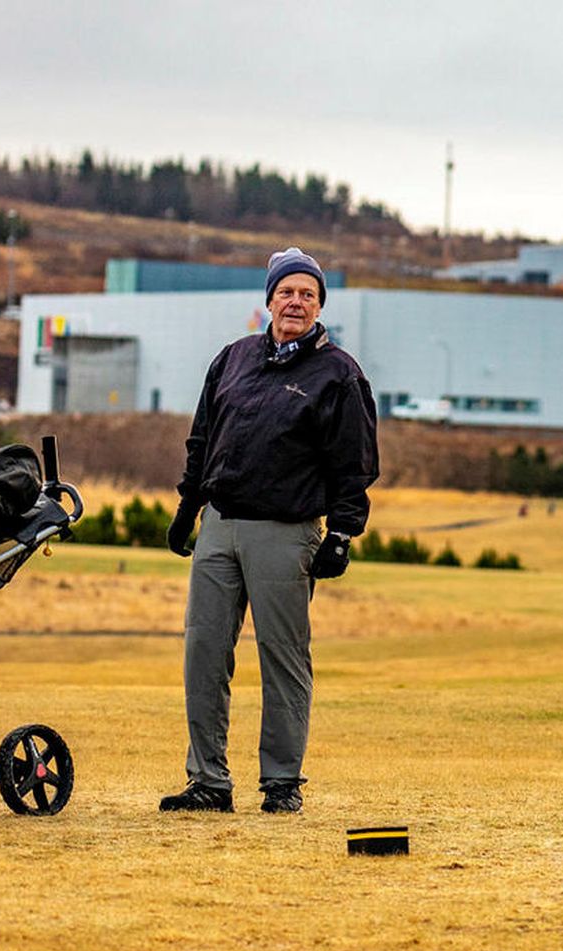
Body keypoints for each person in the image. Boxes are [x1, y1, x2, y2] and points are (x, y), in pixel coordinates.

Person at [158, 247, 379, 815]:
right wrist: (188, 508)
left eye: (308, 294)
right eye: (287, 292)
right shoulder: (232, 359)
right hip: (220, 525)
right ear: (269, 301)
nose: (296, 302)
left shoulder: (339, 374)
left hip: (285, 532)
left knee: (284, 658)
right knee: (204, 653)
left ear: (320, 304)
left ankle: (281, 783)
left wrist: (342, 533)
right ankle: (208, 781)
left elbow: (354, 463)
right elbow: (202, 439)